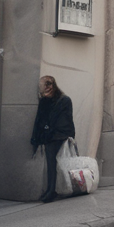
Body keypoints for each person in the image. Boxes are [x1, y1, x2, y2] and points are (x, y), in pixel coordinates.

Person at [30, 75, 75, 203]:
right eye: (44, 85)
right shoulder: (45, 101)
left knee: (55, 163)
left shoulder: (64, 100)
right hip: (50, 136)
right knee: (51, 164)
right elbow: (40, 120)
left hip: (59, 136)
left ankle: (52, 190)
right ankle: (51, 189)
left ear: (53, 85)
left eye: (49, 84)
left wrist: (49, 132)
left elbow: (63, 120)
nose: (47, 88)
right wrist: (37, 138)